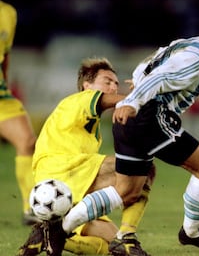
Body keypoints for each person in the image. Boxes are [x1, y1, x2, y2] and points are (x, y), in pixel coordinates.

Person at [44, 15, 199, 256]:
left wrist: (137, 82)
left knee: (126, 192)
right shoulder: (198, 58)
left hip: (131, 124)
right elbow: (160, 77)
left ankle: (61, 228)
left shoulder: (191, 45)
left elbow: (156, 59)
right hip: (150, 118)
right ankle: (192, 230)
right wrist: (133, 102)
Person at [17, 57, 155, 256]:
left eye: (116, 83)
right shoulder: (79, 100)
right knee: (143, 168)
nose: (113, 87)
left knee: (110, 247)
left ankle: (48, 237)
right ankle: (127, 236)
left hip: (67, 178)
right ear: (86, 85)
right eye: (107, 81)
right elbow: (107, 100)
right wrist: (141, 95)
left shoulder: (90, 126)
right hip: (64, 169)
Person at [0, 0, 39, 225]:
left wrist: (6, 83)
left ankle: (31, 208)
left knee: (27, 141)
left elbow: (6, 54)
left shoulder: (8, 14)